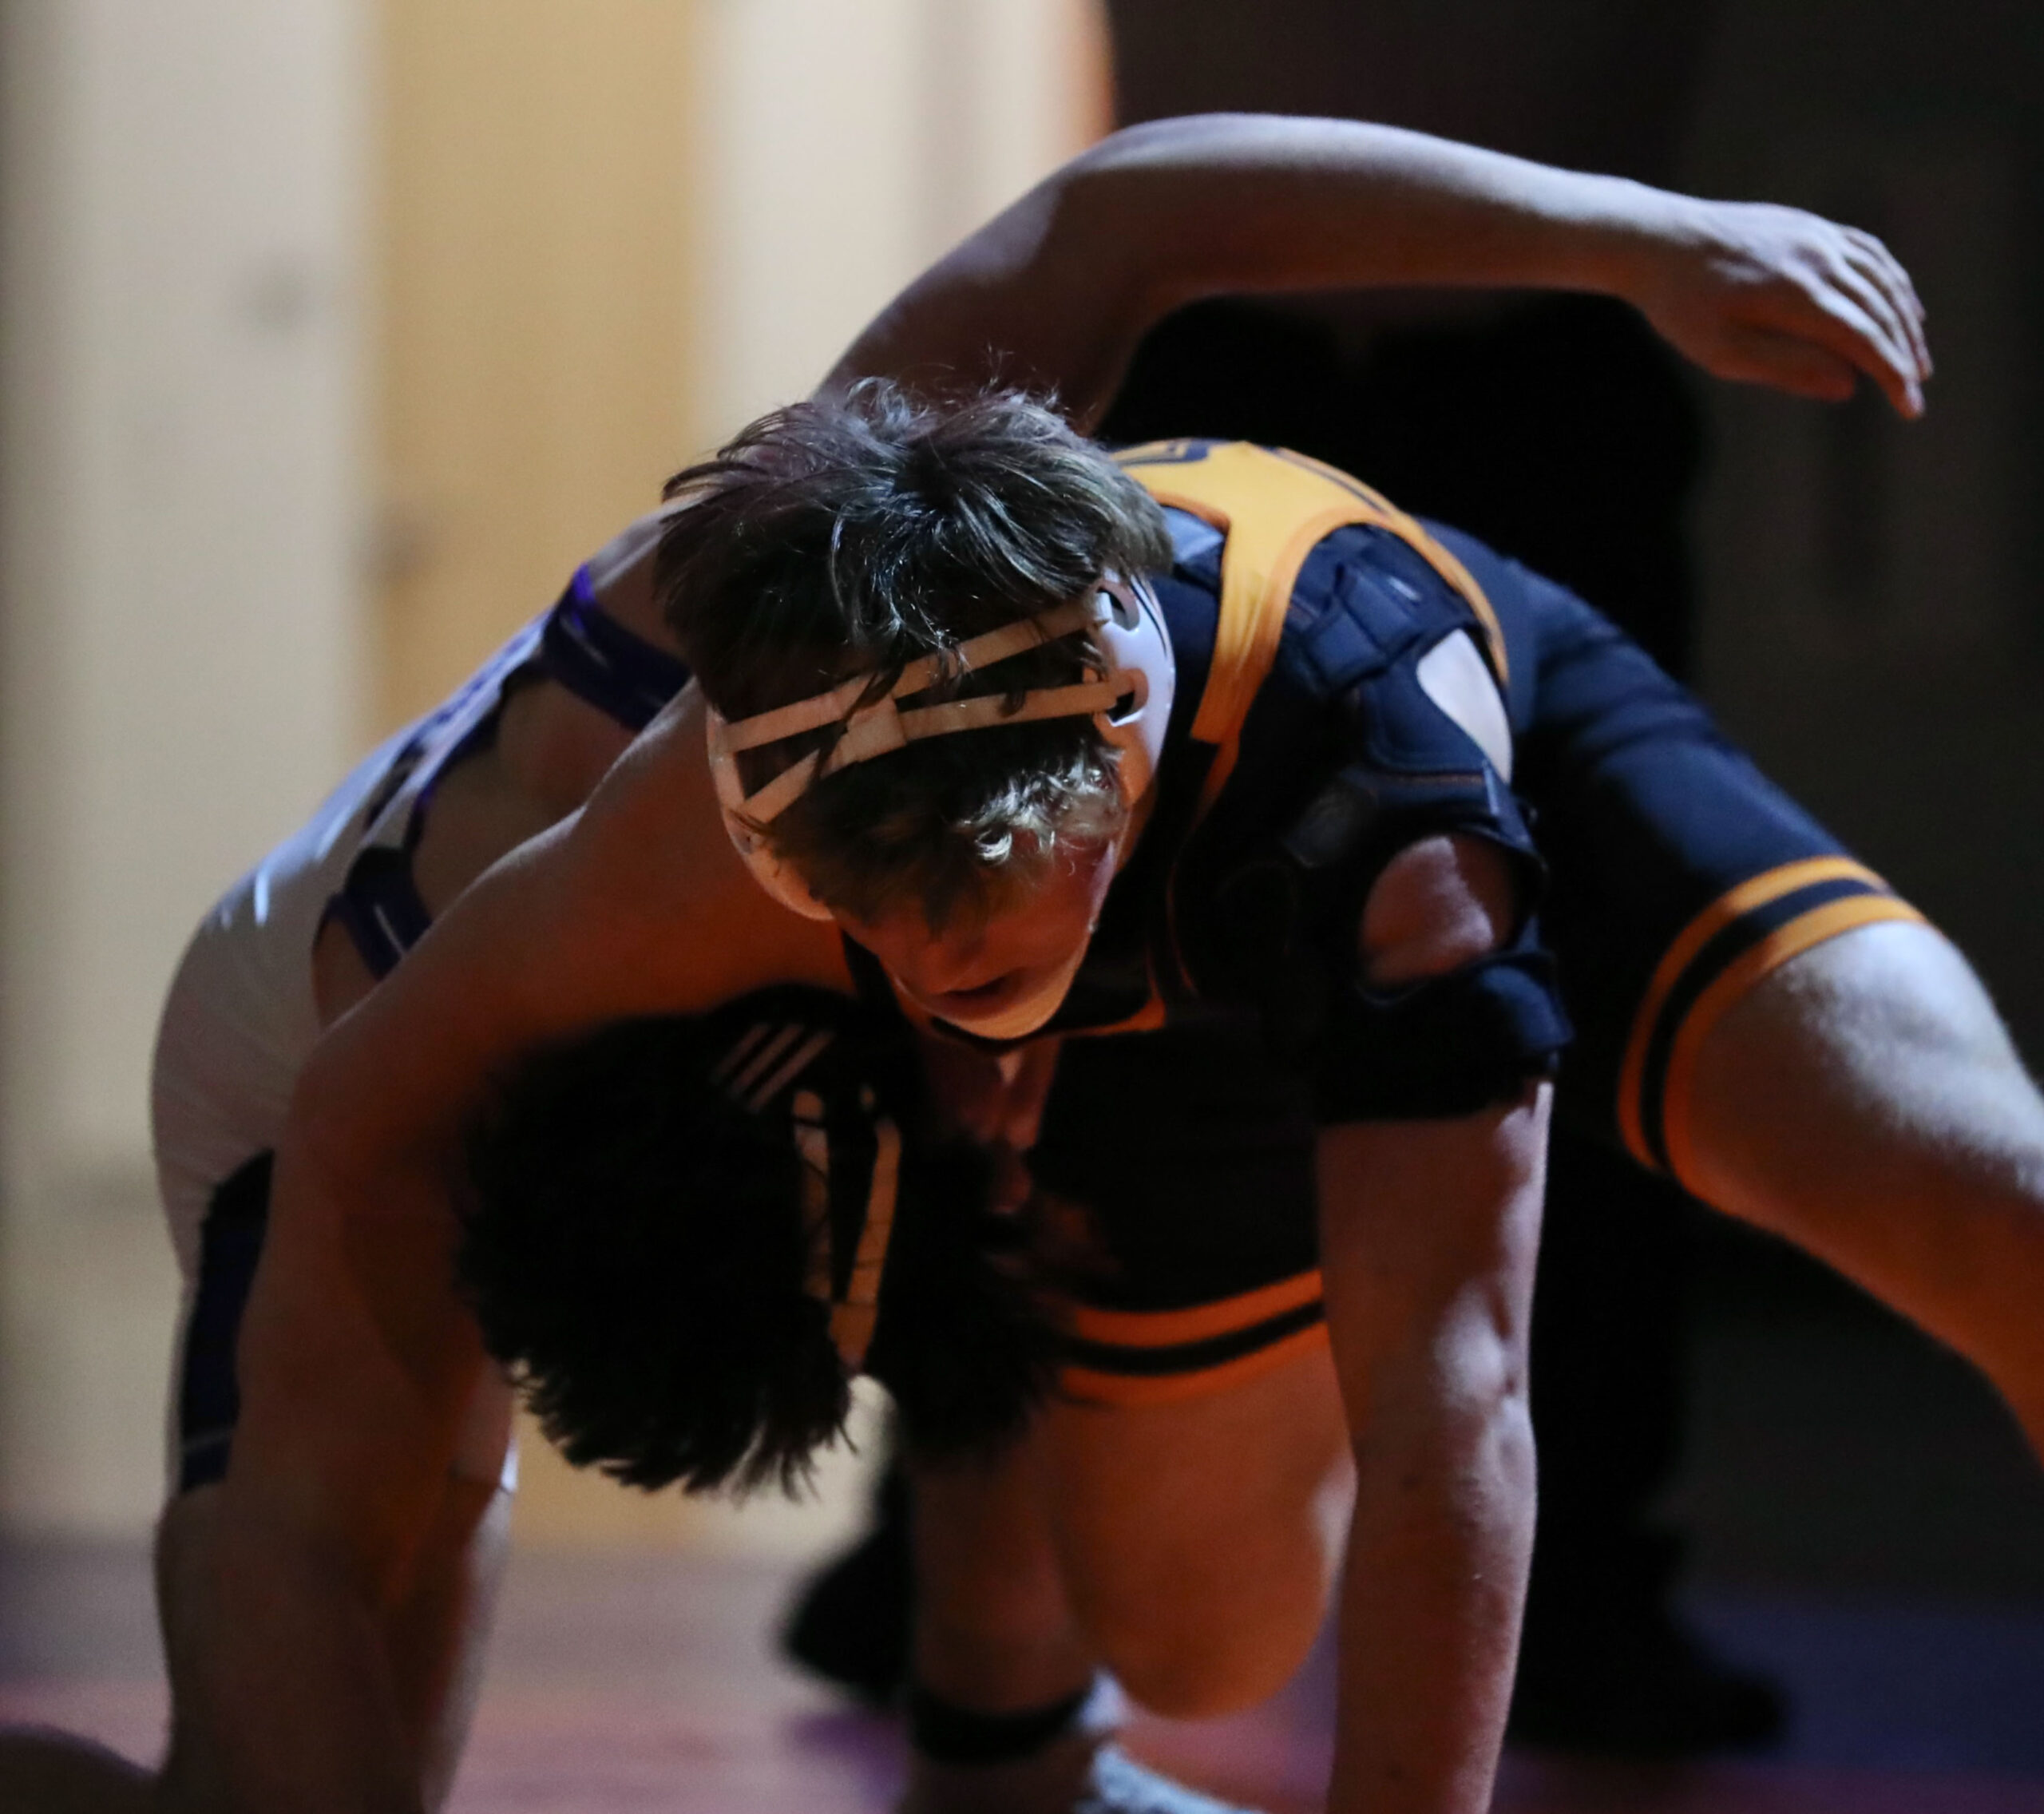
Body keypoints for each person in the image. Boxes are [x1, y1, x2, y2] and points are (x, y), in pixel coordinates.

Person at [0, 115, 1949, 1814]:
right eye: (913, 926)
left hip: (592, 1033)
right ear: (778, 841)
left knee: (1000, 1175)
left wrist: (1628, 244)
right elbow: (364, 1125)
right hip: (335, 1065)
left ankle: (1006, 1739)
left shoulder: (915, 575)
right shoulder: (641, 862)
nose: (958, 957)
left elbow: (1123, 213)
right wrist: (302, 1514)